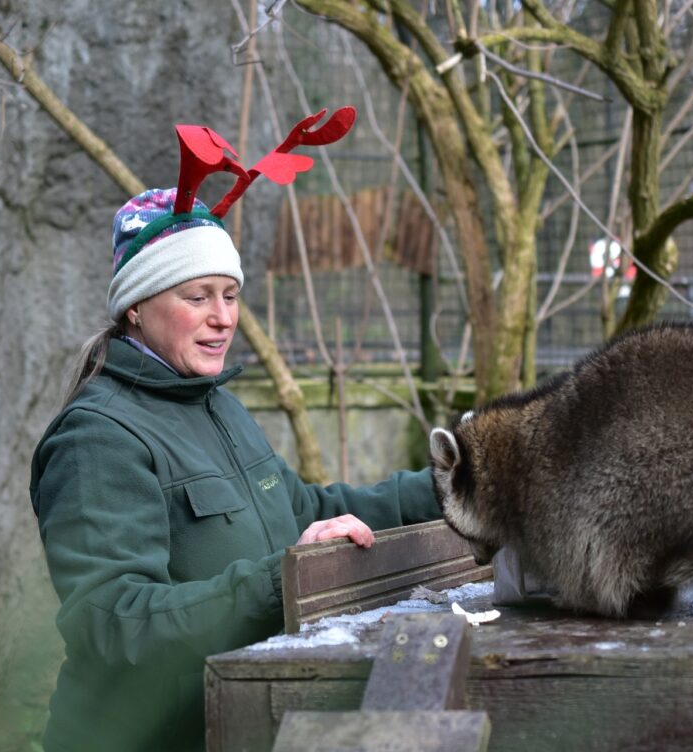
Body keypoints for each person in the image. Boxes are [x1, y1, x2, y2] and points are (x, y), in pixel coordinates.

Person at [28, 178, 441, 751]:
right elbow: (116, 623)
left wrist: (452, 486)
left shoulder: (215, 403)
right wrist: (286, 578)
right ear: (136, 308)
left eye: (230, 294)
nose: (223, 317)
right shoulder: (97, 439)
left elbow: (306, 512)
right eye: (197, 297)